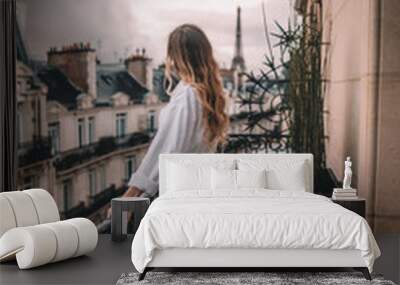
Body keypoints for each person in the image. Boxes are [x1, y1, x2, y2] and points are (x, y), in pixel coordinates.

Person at [108, 24, 229, 216]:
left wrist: (132, 193)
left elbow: (167, 149)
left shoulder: (188, 95)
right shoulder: (208, 94)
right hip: (200, 192)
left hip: (179, 197)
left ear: (176, 57)